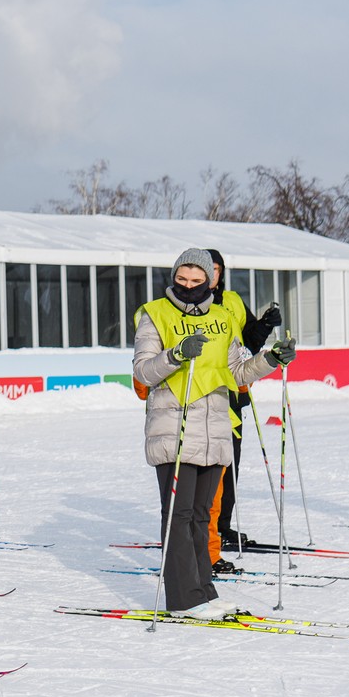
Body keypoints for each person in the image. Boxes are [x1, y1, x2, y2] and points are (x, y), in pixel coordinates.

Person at [133, 249, 289, 619]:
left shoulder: (222, 317)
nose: (187, 287)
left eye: (196, 280)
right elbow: (142, 372)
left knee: (203, 515)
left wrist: (270, 360)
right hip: (175, 424)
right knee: (179, 514)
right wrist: (176, 354)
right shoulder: (154, 315)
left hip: (216, 425)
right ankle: (184, 599)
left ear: (209, 280)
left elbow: (236, 372)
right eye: (181, 280)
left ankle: (204, 589)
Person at [202, 251, 281, 570]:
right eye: (206, 269)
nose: (212, 275)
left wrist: (264, 324)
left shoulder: (232, 301)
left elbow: (249, 340)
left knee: (230, 464)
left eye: (216, 270)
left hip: (234, 390)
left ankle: (221, 527)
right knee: (210, 470)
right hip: (206, 392)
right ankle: (204, 533)